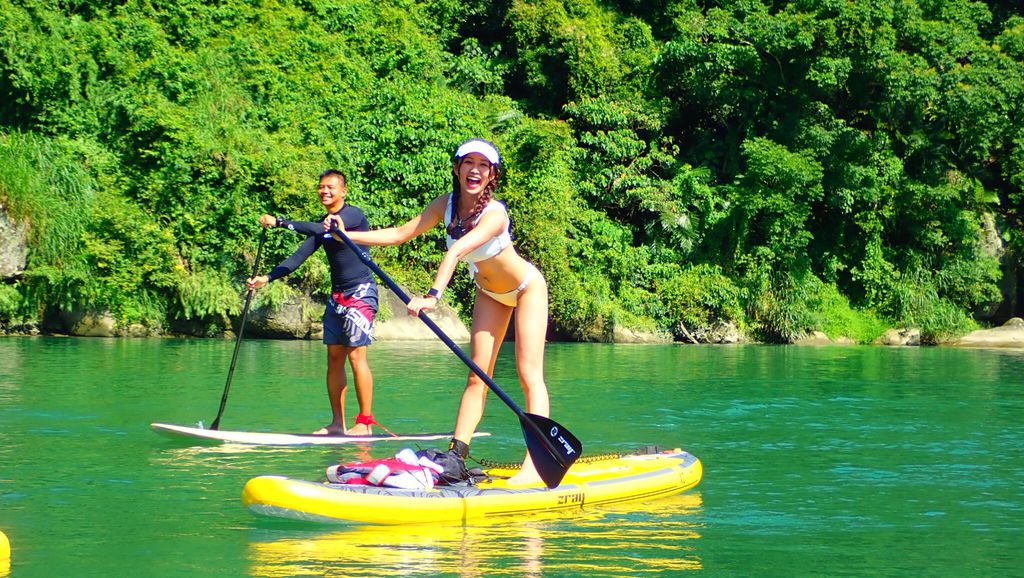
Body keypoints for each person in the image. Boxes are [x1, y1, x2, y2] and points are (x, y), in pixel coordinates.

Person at [325, 139, 549, 484]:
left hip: (525, 289)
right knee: (477, 376)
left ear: (492, 175)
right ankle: (456, 456)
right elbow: (402, 234)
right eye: (468, 163)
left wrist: (432, 295)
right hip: (490, 293)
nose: (475, 170)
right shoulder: (445, 205)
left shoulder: (495, 213)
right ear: (457, 168)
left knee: (527, 374)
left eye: (483, 165)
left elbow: (457, 250)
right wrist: (350, 236)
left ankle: (536, 464)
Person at [247, 169, 380, 436]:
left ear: (343, 191)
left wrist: (280, 222)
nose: (325, 191)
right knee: (334, 357)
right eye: (321, 187)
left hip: (361, 292)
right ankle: (336, 424)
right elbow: (297, 258)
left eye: (330, 187)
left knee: (356, 355)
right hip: (338, 296)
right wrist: (267, 277)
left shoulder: (352, 215)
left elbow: (323, 228)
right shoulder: (322, 227)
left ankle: (365, 423)